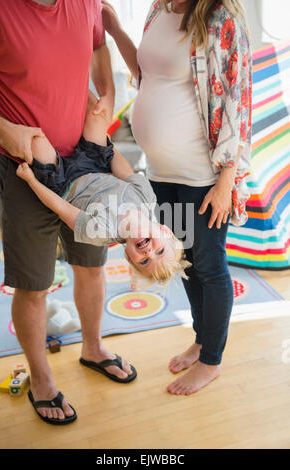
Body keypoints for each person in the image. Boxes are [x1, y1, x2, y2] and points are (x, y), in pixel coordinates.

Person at [0, 0, 134, 425]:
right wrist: (3, 128)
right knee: (33, 284)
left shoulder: (86, 2)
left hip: (86, 163)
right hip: (22, 165)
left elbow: (96, 47)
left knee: (92, 265)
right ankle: (41, 380)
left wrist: (106, 94)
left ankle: (93, 347)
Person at [102, 0, 252, 395]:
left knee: (210, 267)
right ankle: (202, 339)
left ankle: (211, 361)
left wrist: (226, 181)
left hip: (202, 175)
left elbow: (237, 101)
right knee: (182, 261)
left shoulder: (220, 16)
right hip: (160, 173)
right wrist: (117, 30)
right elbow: (145, 74)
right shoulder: (158, 9)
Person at [16, 91, 189, 286]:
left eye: (145, 261)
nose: (149, 252)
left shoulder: (100, 233)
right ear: (164, 230)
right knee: (98, 114)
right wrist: (105, 143)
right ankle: (71, 79)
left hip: (62, 180)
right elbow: (123, 169)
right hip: (95, 164)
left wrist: (31, 180)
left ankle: (27, 95)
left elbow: (60, 207)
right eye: (160, 251)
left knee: (36, 139)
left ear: (129, 256)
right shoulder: (147, 199)